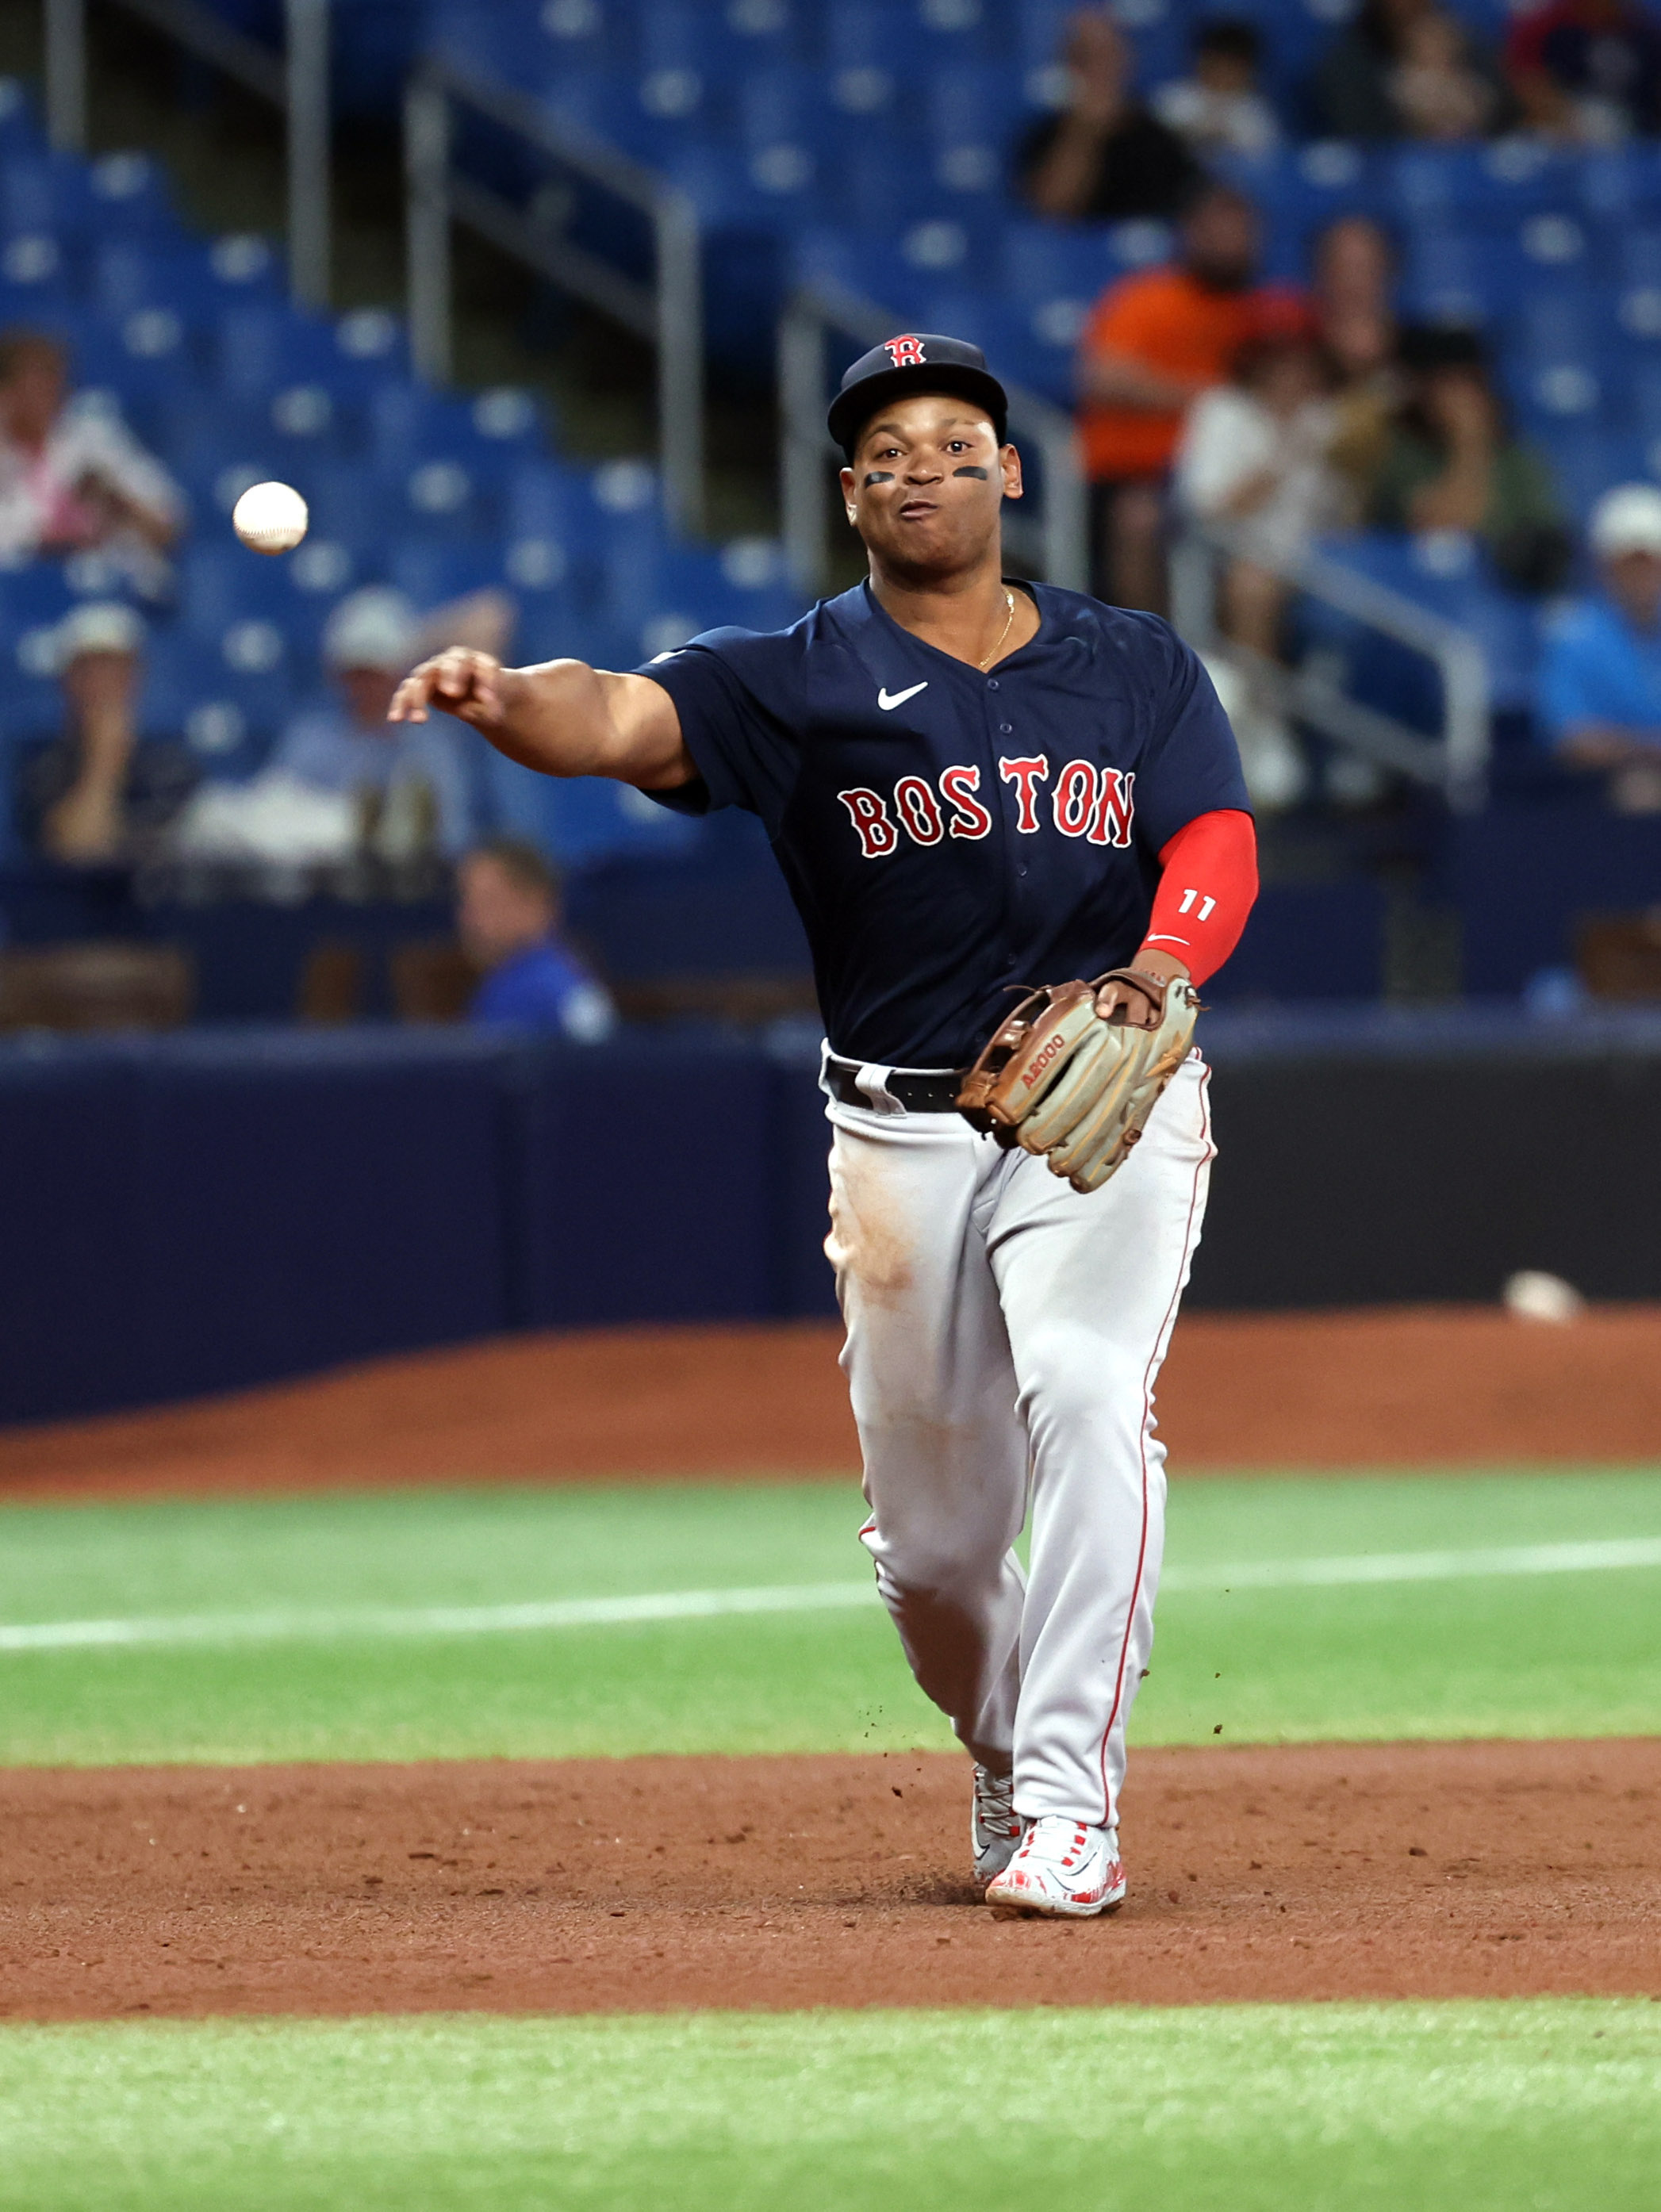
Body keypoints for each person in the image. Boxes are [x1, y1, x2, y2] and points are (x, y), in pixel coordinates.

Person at [392, 331, 1259, 1919]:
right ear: (850, 493)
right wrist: (505, 698)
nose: (922, 460)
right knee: (932, 1554)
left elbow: (1211, 827)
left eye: (953, 435)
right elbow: (613, 715)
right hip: (901, 1138)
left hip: (1103, 1108)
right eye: (887, 447)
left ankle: (1073, 1802)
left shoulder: (1132, 663)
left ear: (1010, 469)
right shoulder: (789, 677)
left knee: (1087, 1389)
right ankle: (1000, 1742)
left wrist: (1162, 960)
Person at [0, 328, 185, 861]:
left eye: (52, 381)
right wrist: (49, 540)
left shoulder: (90, 438)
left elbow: (167, 523)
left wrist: (113, 498)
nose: (44, 394)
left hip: (118, 591)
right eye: (29, 381)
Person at [173, 586, 505, 866]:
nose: (366, 687)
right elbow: (274, 807)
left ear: (398, 672)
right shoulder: (314, 737)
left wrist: (412, 644)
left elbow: (491, 614)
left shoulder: (430, 744)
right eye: (355, 674)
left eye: (376, 674)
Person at [1076, 183, 1270, 612]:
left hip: (1232, 470)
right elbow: (1104, 377)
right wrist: (1207, 398)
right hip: (1137, 471)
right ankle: (1155, 648)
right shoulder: (1147, 297)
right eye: (1218, 230)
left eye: (1242, 232)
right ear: (1190, 232)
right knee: (1139, 518)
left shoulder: (1261, 314)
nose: (1231, 243)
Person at [1363, 325, 1570, 594]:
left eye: (1467, 382)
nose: (1459, 398)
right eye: (1444, 383)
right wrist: (1469, 443)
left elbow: (1548, 544)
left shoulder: (1516, 460)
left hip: (1504, 596)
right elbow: (1442, 532)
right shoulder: (1401, 454)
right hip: (1420, 598)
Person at [1536, 483, 1661, 811]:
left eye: (1650, 562)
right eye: (1631, 563)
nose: (1643, 574)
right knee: (1639, 793)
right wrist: (1641, 754)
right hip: (1598, 794)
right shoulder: (1574, 636)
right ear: (1606, 566)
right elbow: (1572, 738)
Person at [1015, 8, 1202, 222]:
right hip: (1075, 250)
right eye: (1086, 57)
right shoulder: (1044, 134)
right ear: (1069, 65)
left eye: (1109, 56)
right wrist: (1084, 131)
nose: (1100, 69)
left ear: (1128, 62)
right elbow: (1050, 209)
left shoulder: (1161, 137)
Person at [458, 837, 618, 1038]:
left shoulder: (552, 986)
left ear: (536, 903)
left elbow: (598, 1054)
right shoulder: (503, 985)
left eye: (488, 901)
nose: (469, 918)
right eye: (467, 902)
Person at [1313, 0, 1509, 139]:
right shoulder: (1353, 55)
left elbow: (1501, 113)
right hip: (1390, 171)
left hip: (1471, 159)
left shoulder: (1459, 37)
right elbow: (1362, 132)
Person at [1506, 0, 1661, 140]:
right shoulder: (1547, 28)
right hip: (1568, 123)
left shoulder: (1641, 29)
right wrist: (1566, 117)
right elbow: (1526, 79)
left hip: (1638, 126)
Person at [1153, 17, 1282, 159]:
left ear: (1248, 71)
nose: (1223, 72)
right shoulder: (1172, 99)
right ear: (1202, 61)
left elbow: (1264, 161)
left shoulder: (1256, 113)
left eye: (1231, 66)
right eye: (1218, 63)